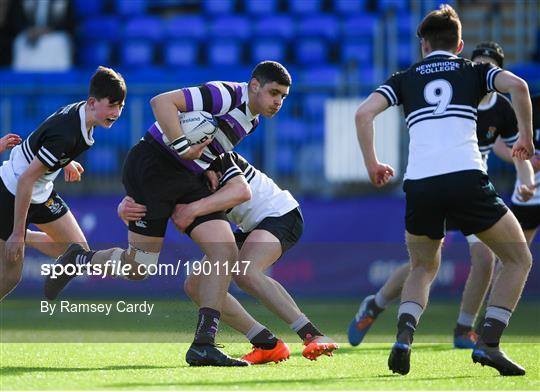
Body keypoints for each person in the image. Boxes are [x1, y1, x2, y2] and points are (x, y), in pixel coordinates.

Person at [44, 61, 292, 367]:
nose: (278, 101)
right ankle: (78, 259)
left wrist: (210, 167)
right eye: (274, 93)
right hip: (155, 165)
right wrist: (182, 143)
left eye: (283, 96)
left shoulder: (252, 122)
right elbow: (161, 102)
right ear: (254, 86)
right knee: (140, 268)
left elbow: (211, 150)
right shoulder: (225, 94)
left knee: (224, 251)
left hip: (188, 178)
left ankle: (204, 344)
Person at [355, 4, 533, 376]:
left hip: (420, 183)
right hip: (466, 178)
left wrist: (372, 163)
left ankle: (404, 336)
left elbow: (363, 113)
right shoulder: (473, 71)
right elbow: (519, 86)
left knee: (422, 266)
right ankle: (488, 343)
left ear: (423, 44)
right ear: (459, 45)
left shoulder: (404, 77)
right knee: (518, 258)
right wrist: (527, 140)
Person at [168, 151, 338, 364]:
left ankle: (312, 334)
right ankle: (266, 343)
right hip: (248, 225)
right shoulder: (177, 171)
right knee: (195, 285)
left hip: (279, 214)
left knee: (246, 272)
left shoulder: (217, 155)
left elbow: (241, 192)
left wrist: (192, 209)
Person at [0, 66, 126, 300]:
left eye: (120, 106)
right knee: (10, 277)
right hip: (13, 190)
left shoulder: (82, 115)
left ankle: (24, 236)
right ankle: (19, 234)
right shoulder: (67, 133)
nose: (116, 112)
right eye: (112, 105)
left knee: (75, 250)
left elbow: (44, 137)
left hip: (40, 190)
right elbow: (27, 178)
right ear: (92, 102)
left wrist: (63, 162)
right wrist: (17, 233)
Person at [494, 94, 540, 245]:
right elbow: (498, 142)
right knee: (516, 256)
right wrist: (525, 159)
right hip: (530, 195)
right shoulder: (529, 107)